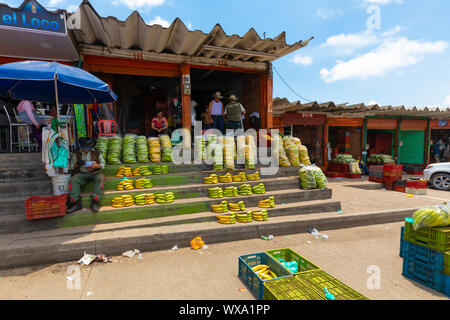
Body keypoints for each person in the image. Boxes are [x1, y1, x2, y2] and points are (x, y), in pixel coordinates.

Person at [67, 138, 106, 213]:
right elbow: (71, 166)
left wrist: (97, 166)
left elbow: (103, 164)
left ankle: (95, 200)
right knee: (73, 180)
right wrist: (77, 165)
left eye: (88, 149)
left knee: (101, 178)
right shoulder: (77, 153)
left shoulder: (97, 152)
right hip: (82, 173)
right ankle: (76, 202)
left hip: (95, 173)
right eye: (85, 149)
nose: (86, 150)